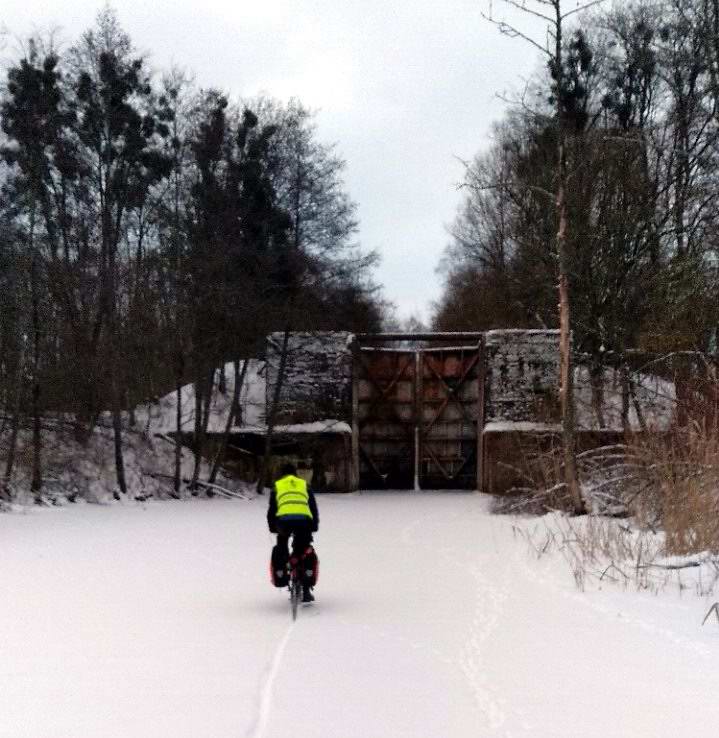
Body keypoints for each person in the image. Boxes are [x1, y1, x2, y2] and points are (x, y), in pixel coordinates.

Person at [267, 462, 319, 603]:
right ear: (295, 474)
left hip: (283, 522)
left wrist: (273, 526)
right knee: (303, 548)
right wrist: (314, 525)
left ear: (282, 474)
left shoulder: (278, 486)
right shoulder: (304, 484)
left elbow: (272, 509)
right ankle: (306, 590)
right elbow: (313, 507)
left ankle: (283, 569)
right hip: (304, 521)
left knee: (282, 544)